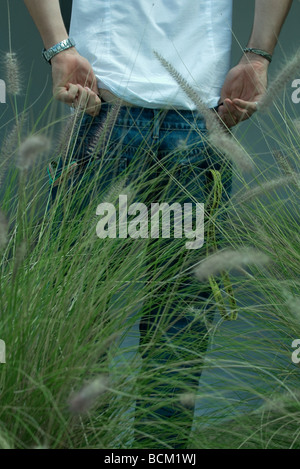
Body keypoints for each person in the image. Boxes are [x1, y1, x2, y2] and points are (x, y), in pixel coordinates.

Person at [24, 0, 292, 449]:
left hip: (115, 111)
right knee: (175, 323)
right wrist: (258, 55)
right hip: (157, 114)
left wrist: (59, 47)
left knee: (74, 313)